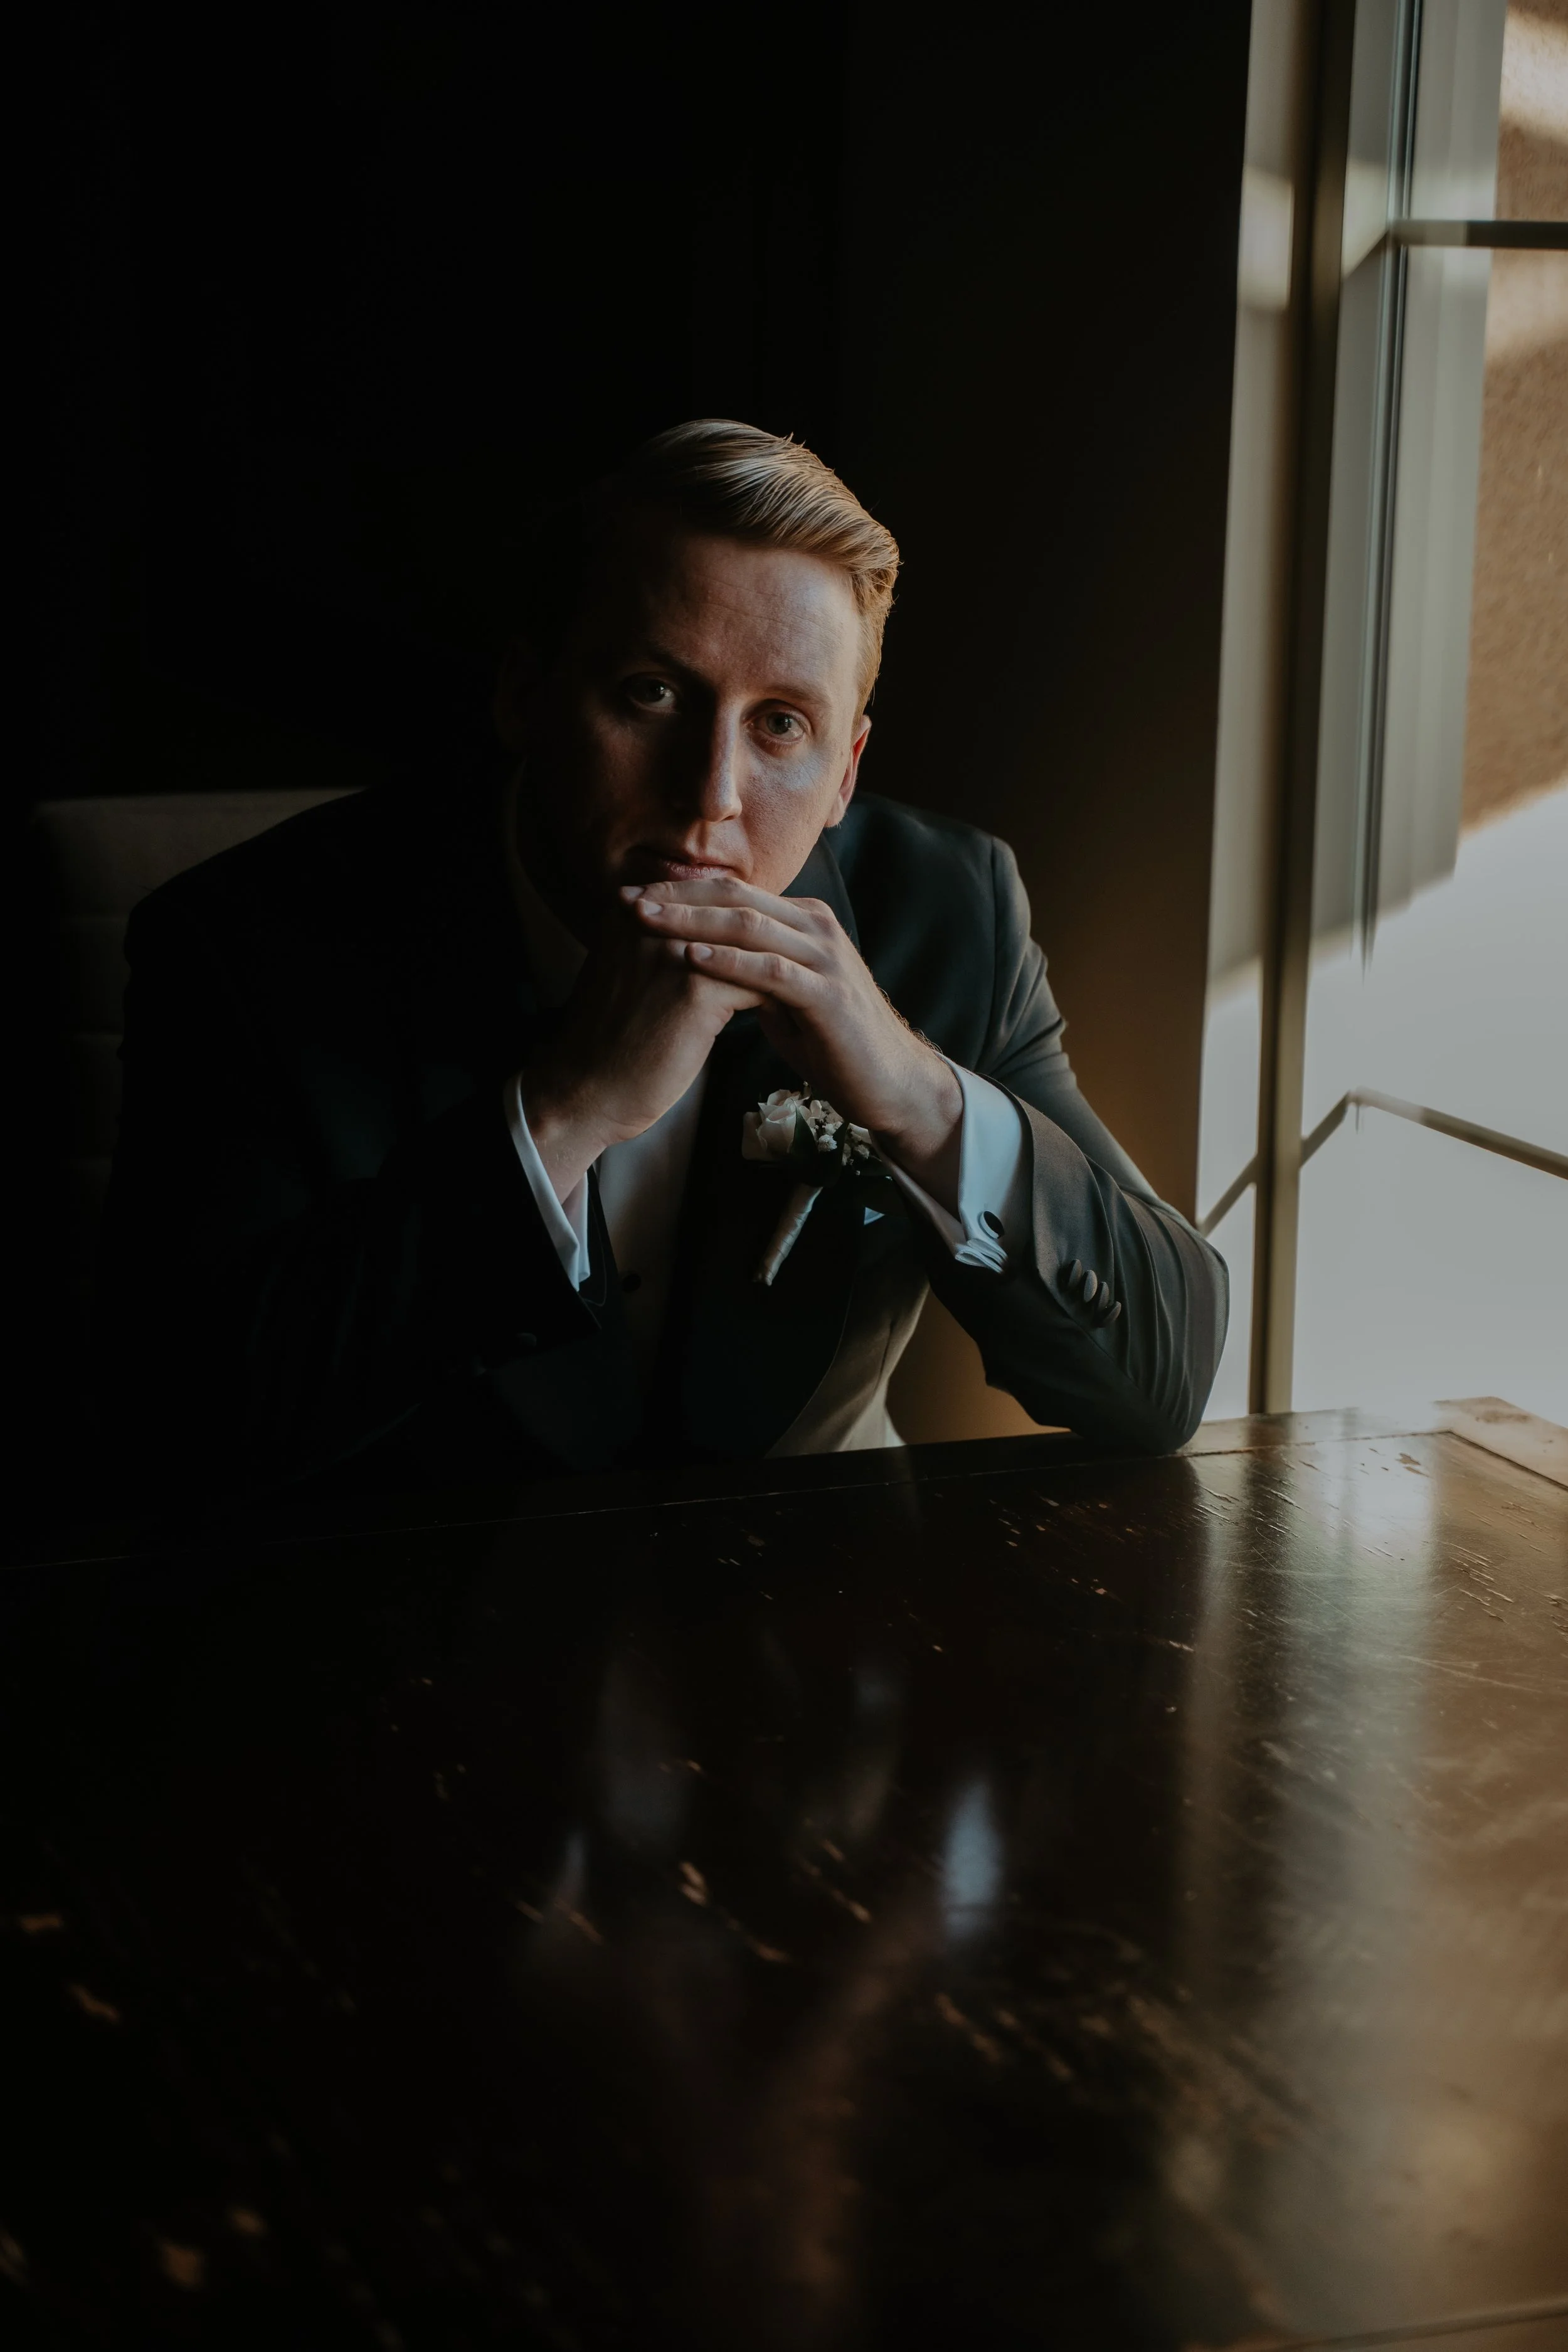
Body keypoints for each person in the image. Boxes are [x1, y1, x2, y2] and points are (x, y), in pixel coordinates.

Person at [97, 420, 1226, 1504]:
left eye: (782, 725)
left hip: (828, 1621)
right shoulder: (247, 943)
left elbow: (1166, 1375)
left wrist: (924, 1101)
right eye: (653, 694)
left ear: (846, 772)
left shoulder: (949, 911)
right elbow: (176, 1430)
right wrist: (564, 1110)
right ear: (525, 694)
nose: (712, 797)